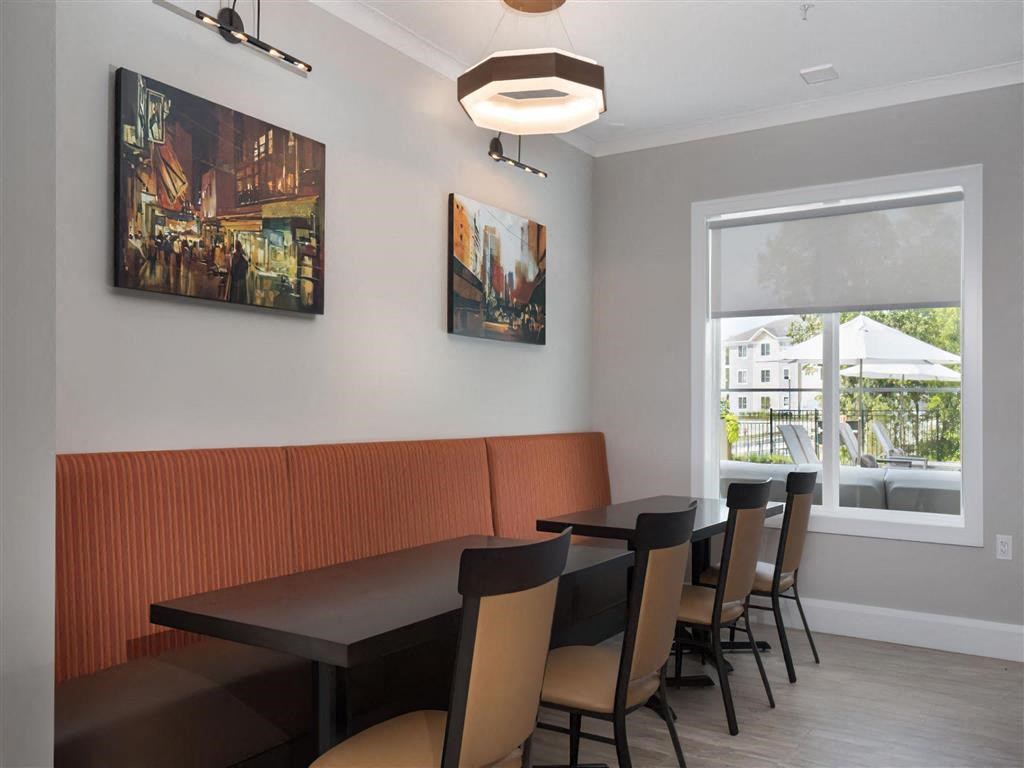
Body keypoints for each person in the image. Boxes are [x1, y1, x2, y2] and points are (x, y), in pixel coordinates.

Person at [229, 240, 249, 304]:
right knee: (238, 293)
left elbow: (233, 265)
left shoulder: (236, 255)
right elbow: (246, 265)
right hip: (240, 277)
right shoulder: (241, 255)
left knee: (236, 293)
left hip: (237, 277)